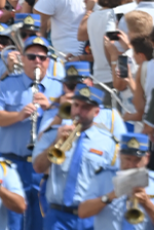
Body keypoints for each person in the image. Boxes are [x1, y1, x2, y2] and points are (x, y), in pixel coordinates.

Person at [0, 36, 64, 230]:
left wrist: (51, 109)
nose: (37, 61)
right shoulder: (7, 84)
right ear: (23, 59)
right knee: (14, 219)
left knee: (41, 218)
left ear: (49, 61)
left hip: (44, 165)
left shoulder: (60, 87)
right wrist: (19, 115)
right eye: (32, 57)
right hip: (12, 162)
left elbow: (73, 122)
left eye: (42, 57)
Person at [32, 85, 119, 230]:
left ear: (96, 112)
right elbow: (38, 167)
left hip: (90, 218)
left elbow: (111, 184)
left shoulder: (108, 143)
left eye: (85, 107)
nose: (79, 111)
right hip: (57, 217)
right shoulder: (53, 133)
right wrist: (55, 144)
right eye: (76, 105)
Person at [77, 132, 154, 230]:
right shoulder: (103, 176)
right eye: (127, 159)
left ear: (147, 158)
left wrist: (146, 203)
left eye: (137, 160)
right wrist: (110, 196)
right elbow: (82, 212)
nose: (131, 165)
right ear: (119, 155)